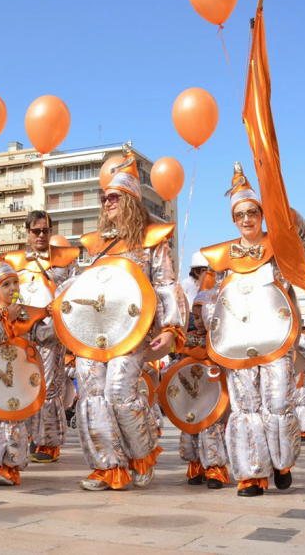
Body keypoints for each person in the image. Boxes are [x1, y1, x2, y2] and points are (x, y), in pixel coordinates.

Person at [65, 144, 185, 491]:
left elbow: (165, 285)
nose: (108, 203)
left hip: (132, 332)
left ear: (131, 200)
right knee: (91, 396)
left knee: (118, 392)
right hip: (93, 333)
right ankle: (107, 467)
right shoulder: (96, 244)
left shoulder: (152, 242)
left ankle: (140, 454)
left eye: (115, 197)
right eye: (105, 198)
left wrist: (172, 328)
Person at [200, 163, 305, 497]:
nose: (247, 219)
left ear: (261, 214)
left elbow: (304, 242)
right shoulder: (222, 256)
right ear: (233, 220)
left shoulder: (278, 243)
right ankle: (252, 475)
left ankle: (281, 462)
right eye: (240, 215)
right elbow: (215, 300)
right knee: (246, 408)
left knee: (277, 403)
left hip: (277, 338)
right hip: (238, 343)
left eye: (252, 212)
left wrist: (284, 209)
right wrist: (214, 334)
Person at [0, 246, 51, 485]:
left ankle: (9, 470)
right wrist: (6, 320)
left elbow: (44, 337)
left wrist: (59, 319)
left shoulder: (29, 315)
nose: (13, 288)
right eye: (6, 285)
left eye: (15, 282)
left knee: (13, 422)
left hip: (19, 381)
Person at [4, 210, 80, 463]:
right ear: (26, 232)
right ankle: (23, 437)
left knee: (49, 387)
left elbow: (75, 292)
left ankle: (48, 444)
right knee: (22, 385)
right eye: (35, 230)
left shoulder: (66, 260)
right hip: (22, 332)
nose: (40, 235)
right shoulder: (13, 260)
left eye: (45, 230)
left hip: (51, 331)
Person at [176, 290, 230, 489]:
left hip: (212, 395)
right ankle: (196, 468)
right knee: (191, 430)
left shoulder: (219, 340)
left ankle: (215, 472)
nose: (199, 322)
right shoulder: (185, 338)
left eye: (203, 317)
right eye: (196, 317)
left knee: (211, 430)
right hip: (191, 397)